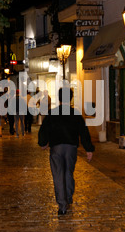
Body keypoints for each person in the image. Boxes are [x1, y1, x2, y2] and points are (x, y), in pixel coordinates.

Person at [38, 87, 95, 215]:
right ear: (70, 98)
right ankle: (68, 197)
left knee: (58, 175)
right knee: (68, 173)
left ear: (59, 98)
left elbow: (44, 130)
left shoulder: (52, 114)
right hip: (71, 148)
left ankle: (62, 205)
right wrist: (88, 149)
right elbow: (84, 132)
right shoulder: (76, 115)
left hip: (56, 148)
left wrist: (43, 143)